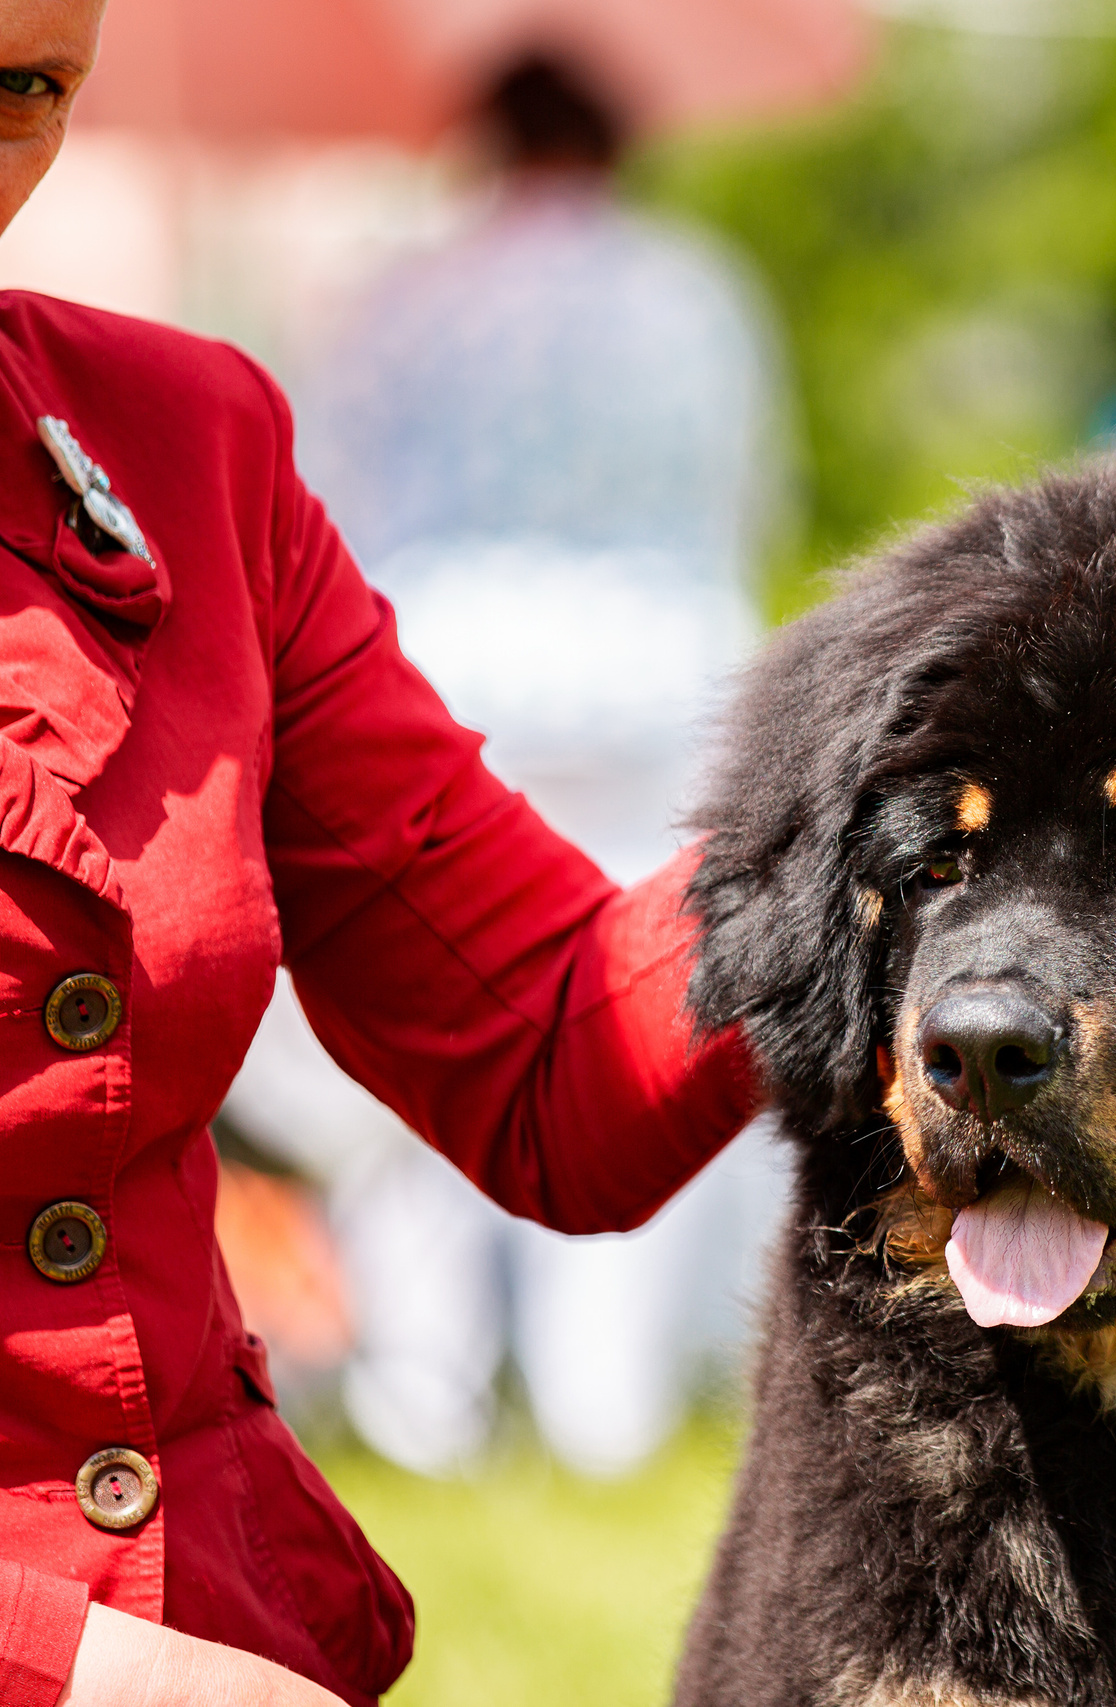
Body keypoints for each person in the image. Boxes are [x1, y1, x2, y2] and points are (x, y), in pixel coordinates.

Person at [0, 7, 757, 1706]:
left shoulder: (179, 445)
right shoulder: (690, 293)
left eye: (21, 90)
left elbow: (553, 1049)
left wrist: (909, 813)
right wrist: (84, 1678)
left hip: (248, 1639)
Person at [228, 50, 786, 1481]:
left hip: (453, 656)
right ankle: (609, 1408)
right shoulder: (699, 286)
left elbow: (329, 488)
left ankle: (434, 1400)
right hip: (662, 672)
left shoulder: (407, 290)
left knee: (427, 1028)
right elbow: (748, 491)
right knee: (637, 1026)